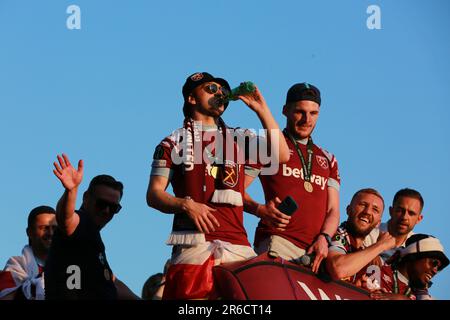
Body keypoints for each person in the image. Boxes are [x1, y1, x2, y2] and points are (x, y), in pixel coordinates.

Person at [147, 72, 289, 299]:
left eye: (222, 90)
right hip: (194, 249)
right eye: (211, 89)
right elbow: (154, 195)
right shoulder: (172, 142)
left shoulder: (239, 137)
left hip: (238, 248)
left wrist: (261, 109)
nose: (220, 93)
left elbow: (282, 154)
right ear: (191, 99)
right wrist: (186, 205)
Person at [244, 82, 340, 273]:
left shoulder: (328, 158)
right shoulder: (270, 145)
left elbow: (333, 210)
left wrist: (325, 238)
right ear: (285, 110)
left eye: (313, 113)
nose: (307, 119)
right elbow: (234, 191)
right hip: (278, 244)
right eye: (300, 112)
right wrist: (259, 210)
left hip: (315, 252)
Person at [44, 154, 139, 300]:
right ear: (86, 197)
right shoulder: (82, 222)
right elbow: (66, 220)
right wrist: (71, 190)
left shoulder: (92, 237)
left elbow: (112, 282)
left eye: (113, 207)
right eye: (101, 204)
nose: (106, 210)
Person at [325, 188, 400, 283]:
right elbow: (338, 269)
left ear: (378, 223)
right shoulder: (335, 233)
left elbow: (374, 288)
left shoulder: (368, 254)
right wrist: (380, 245)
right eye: (363, 205)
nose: (367, 212)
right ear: (348, 210)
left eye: (375, 209)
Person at [362, 234, 449, 300]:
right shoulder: (376, 269)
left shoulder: (420, 295)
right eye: (434, 263)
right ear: (414, 256)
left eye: (438, 268)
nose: (435, 270)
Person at [0, 206, 57, 300]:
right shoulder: (16, 265)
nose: (50, 233)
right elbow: (5, 297)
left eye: (54, 228)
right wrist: (31, 288)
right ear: (29, 232)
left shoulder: (68, 265)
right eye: (44, 228)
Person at [379, 188, 424, 262]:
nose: (404, 217)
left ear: (419, 219)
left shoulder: (419, 247)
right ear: (391, 211)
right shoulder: (369, 233)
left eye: (411, 213)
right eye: (400, 211)